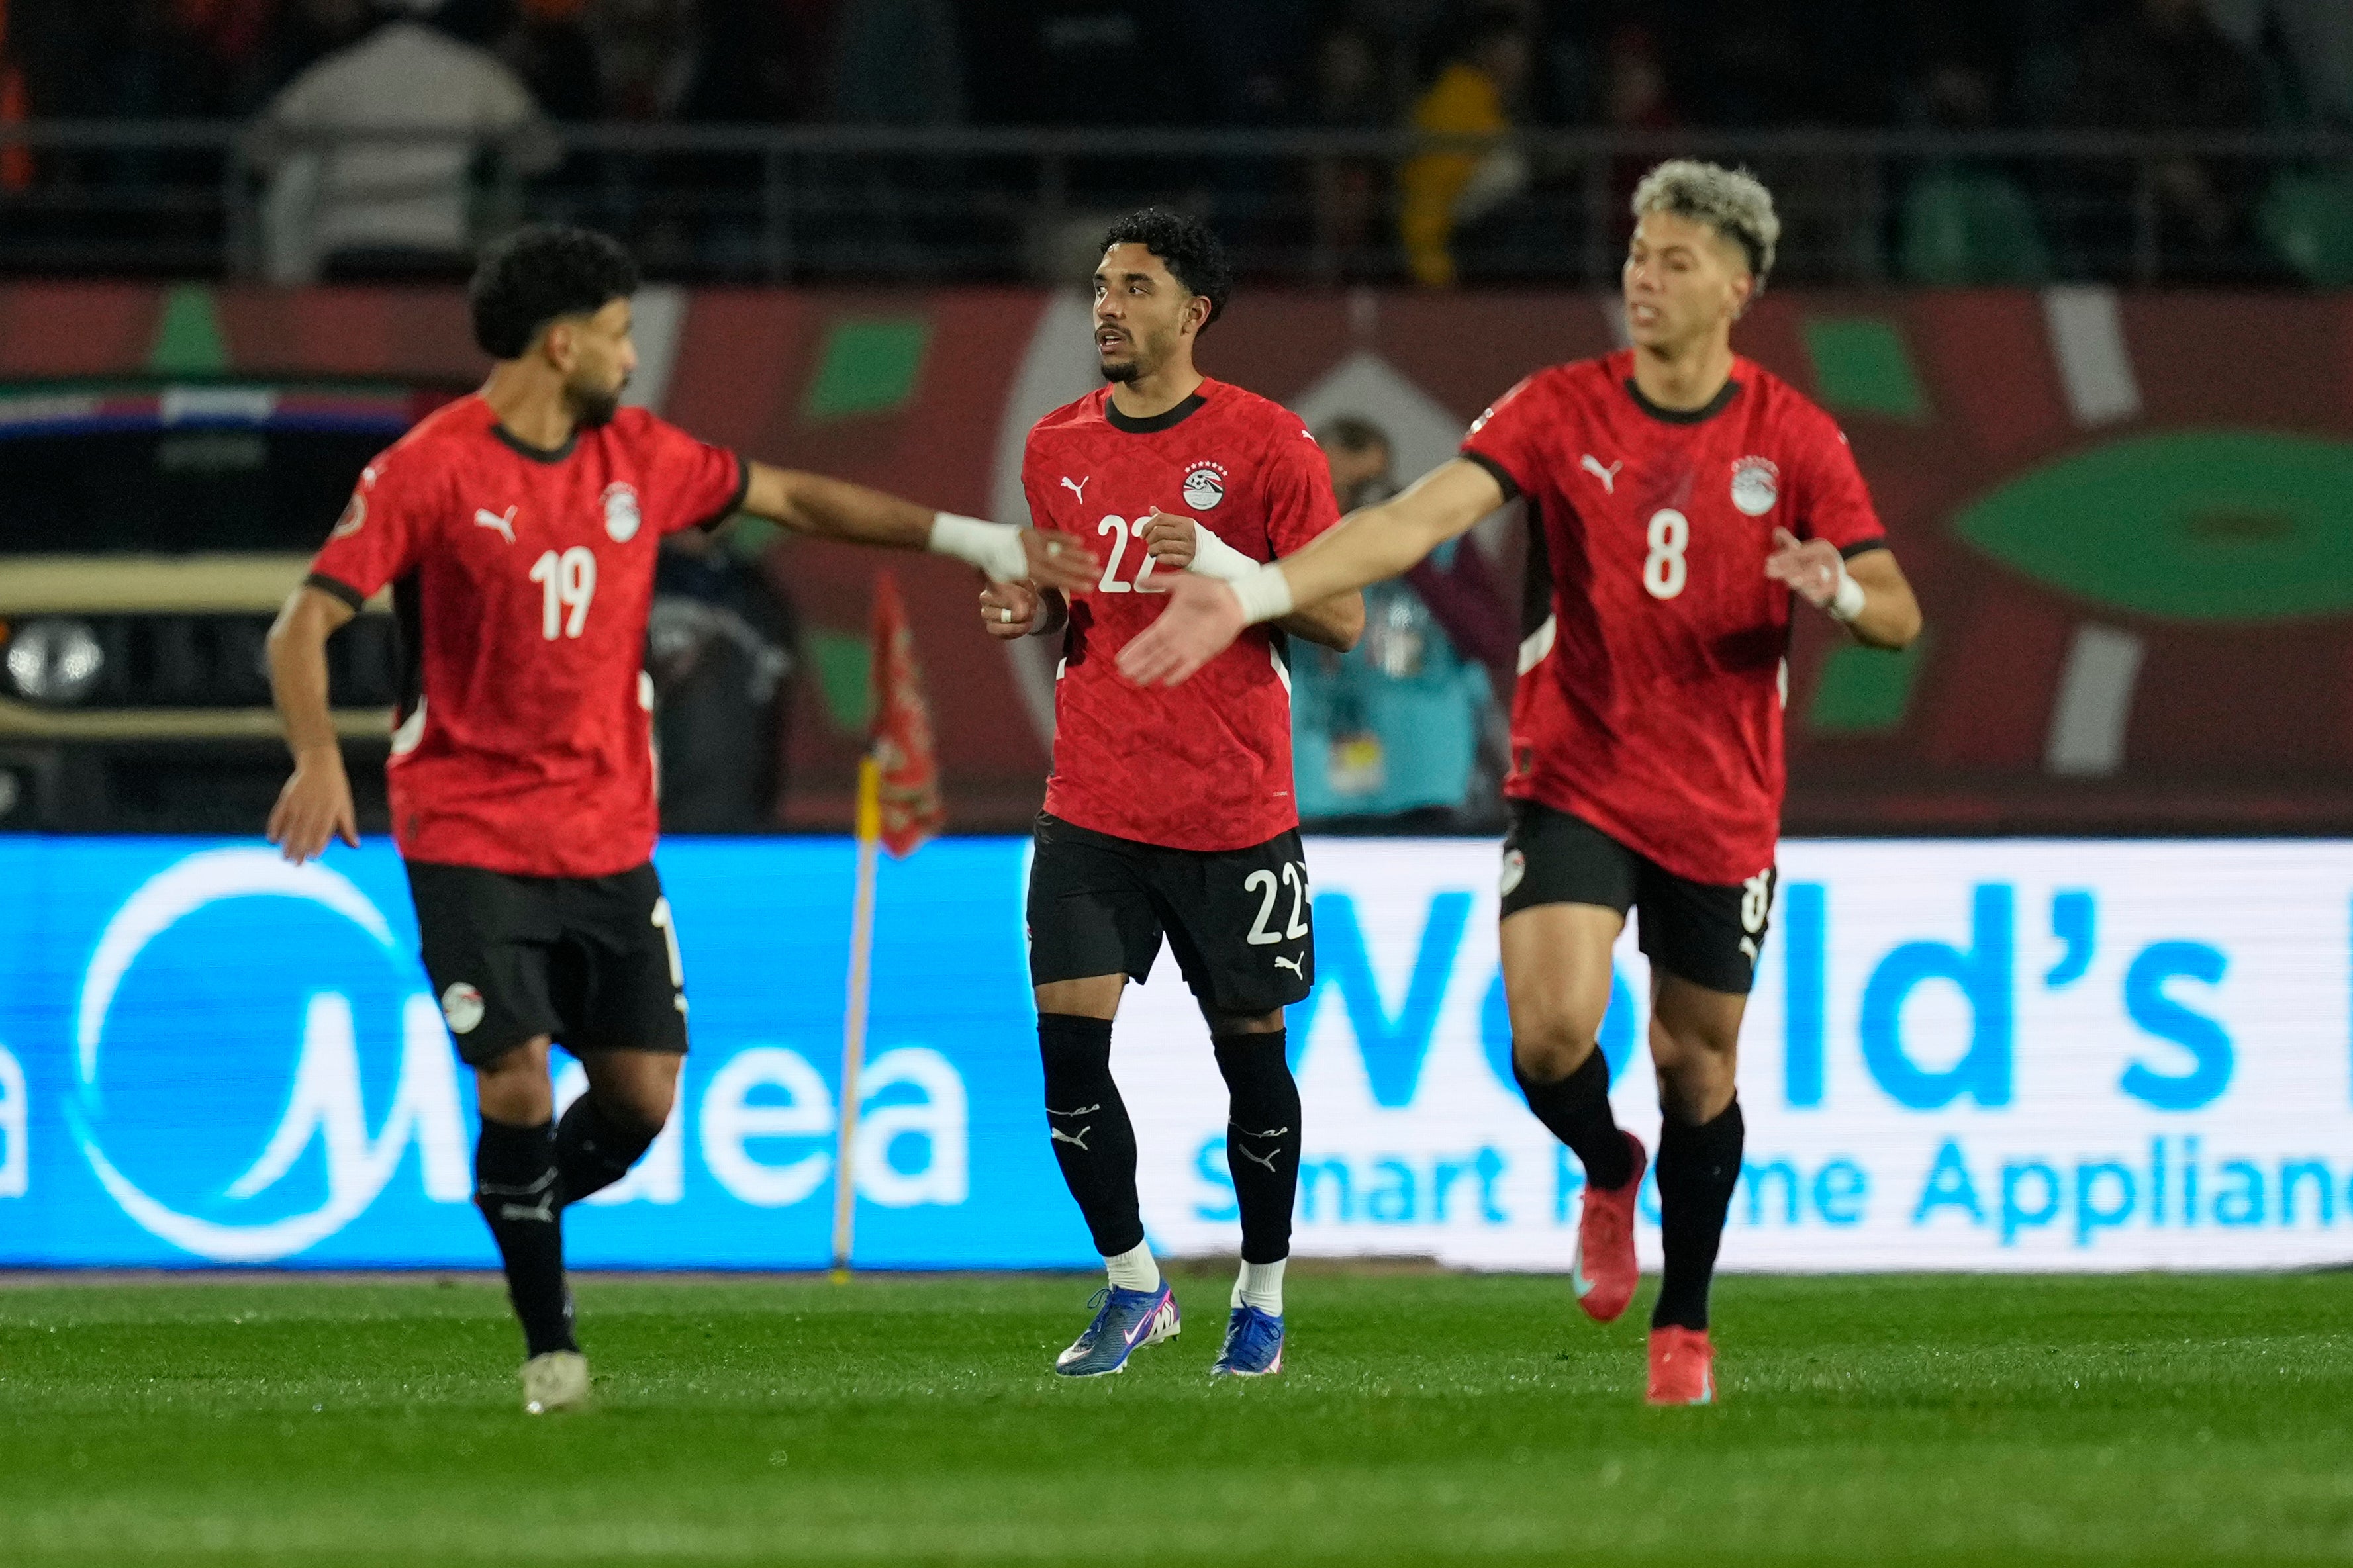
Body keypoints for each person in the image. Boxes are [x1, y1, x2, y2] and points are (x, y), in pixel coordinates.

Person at [1118, 161, 1923, 1406]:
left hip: (1721, 799)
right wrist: (1262, 586)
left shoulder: (1794, 437)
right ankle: (1608, 1170)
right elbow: (1412, 521)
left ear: (1738, 288)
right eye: (1637, 254)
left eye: (1673, 262)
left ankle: (1686, 1323)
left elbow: (1898, 616)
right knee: (1548, 1036)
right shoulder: (1557, 408)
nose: (1643, 278)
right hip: (1576, 776)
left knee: (1697, 1064)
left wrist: (1840, 590)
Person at [264, 224, 1097, 1414]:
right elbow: (301, 622)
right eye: (616, 331)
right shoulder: (429, 471)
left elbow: (791, 493)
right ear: (562, 345)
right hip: (468, 822)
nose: (630, 350)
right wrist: (316, 757)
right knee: (510, 1082)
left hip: (608, 829)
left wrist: (975, 537)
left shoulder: (641, 457)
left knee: (644, 1101)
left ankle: (517, 1202)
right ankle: (551, 1348)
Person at [977, 208, 1363, 1379]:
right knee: (1066, 1060)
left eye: (1134, 287)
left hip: (1232, 805)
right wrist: (1024, 604)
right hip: (1092, 799)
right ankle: (1134, 1284)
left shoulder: (1268, 445)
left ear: (1192, 313)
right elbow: (1063, 587)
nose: (1106, 305)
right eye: (1101, 284)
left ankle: (1261, 1294)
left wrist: (1234, 567)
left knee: (1250, 1060)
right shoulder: (1053, 443)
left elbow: (1339, 617)